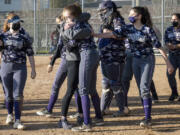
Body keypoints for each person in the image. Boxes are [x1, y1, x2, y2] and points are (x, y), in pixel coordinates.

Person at [123, 6, 174, 128]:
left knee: (144, 87)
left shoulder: (147, 30)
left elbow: (159, 46)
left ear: (139, 16)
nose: (130, 17)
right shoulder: (128, 28)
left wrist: (168, 63)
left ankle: (147, 118)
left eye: (132, 14)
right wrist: (95, 34)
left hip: (147, 60)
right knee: (142, 90)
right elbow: (113, 34)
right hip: (135, 60)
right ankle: (147, 115)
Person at [0, 14, 36, 130]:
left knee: (18, 94)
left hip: (20, 68)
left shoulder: (24, 37)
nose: (17, 24)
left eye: (19, 22)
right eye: (15, 22)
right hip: (5, 67)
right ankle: (10, 114)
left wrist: (33, 69)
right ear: (9, 23)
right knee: (8, 94)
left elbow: (30, 54)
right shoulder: (2, 36)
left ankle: (18, 120)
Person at [93, 0, 127, 117]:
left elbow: (120, 34)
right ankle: (104, 109)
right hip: (105, 57)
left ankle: (122, 109)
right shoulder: (105, 23)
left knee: (115, 83)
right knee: (106, 83)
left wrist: (99, 34)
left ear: (111, 9)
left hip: (115, 57)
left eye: (103, 10)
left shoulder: (117, 20)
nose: (101, 13)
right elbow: (101, 39)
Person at [165, 13, 180, 101]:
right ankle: (174, 93)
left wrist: (175, 46)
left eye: (175, 19)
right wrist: (168, 45)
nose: (173, 21)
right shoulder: (168, 29)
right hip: (172, 56)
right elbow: (166, 41)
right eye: (172, 19)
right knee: (170, 74)